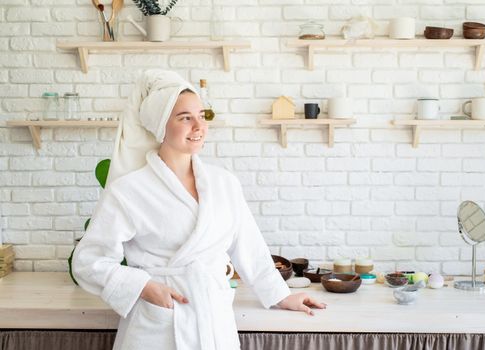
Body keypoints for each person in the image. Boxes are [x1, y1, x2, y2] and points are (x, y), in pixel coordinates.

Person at [72, 70, 325, 350]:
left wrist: (282, 295)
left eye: (202, 116)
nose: (198, 126)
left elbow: (249, 247)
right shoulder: (129, 190)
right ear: (160, 126)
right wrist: (143, 286)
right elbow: (88, 260)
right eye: (184, 118)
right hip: (157, 324)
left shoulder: (224, 183)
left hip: (214, 318)